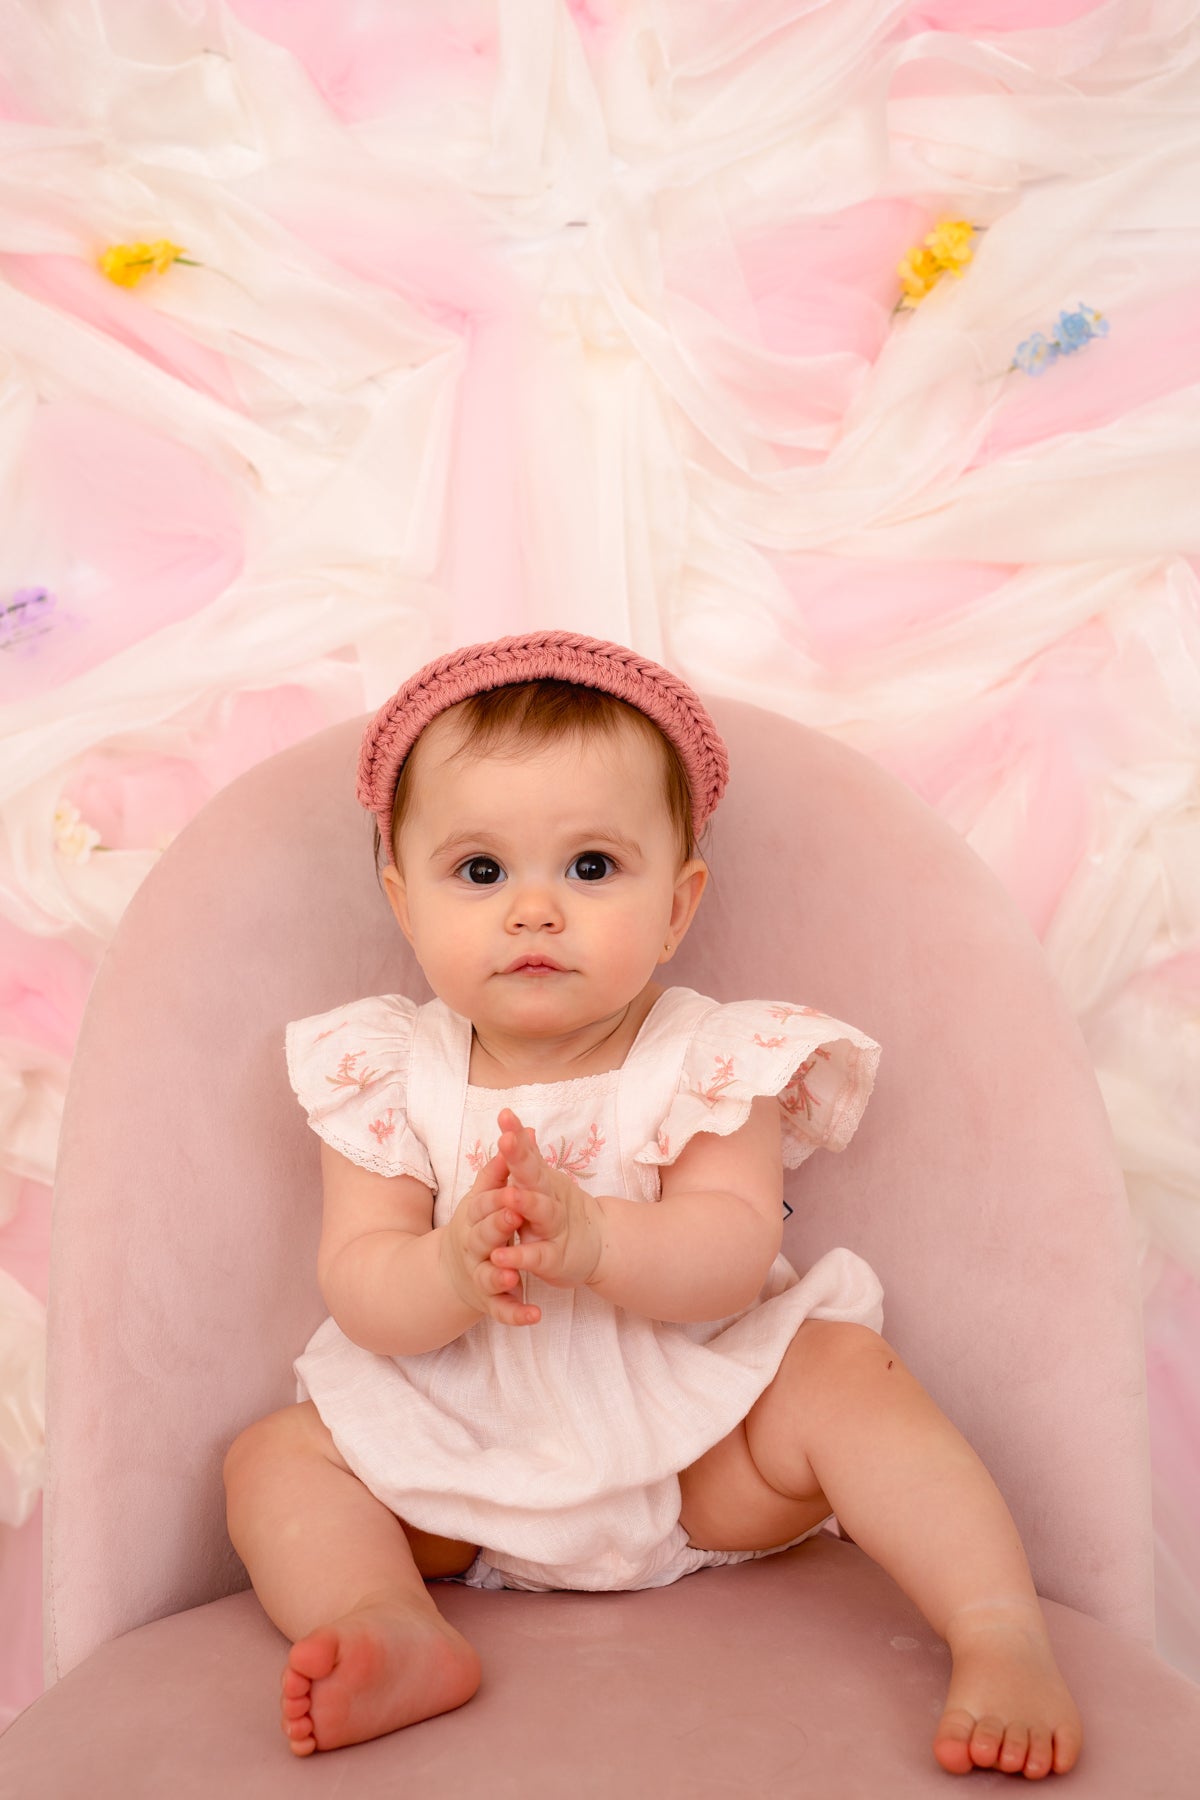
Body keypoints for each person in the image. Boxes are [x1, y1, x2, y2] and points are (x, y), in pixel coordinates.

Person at [223, 630, 1082, 1778]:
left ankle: (997, 1629)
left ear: (678, 907)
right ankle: (388, 1618)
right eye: (480, 872)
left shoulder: (710, 1060)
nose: (535, 910)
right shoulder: (384, 1069)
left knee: (844, 1372)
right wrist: (445, 1270)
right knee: (274, 1460)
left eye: (590, 867)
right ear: (403, 902)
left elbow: (728, 1254)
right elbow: (360, 1283)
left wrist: (595, 1237)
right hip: (452, 1468)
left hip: (695, 1464)